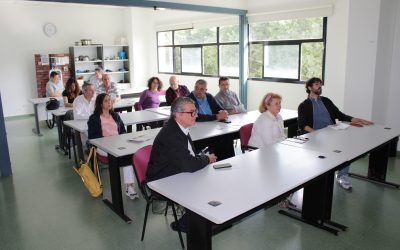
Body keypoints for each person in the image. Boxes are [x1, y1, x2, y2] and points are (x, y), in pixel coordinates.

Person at [147, 97, 217, 232]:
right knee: (203, 185)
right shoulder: (171, 134)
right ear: (178, 114)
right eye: (192, 112)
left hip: (176, 170)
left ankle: (202, 219)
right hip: (162, 179)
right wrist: (207, 159)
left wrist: (202, 159)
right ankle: (187, 223)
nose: (196, 115)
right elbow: (189, 165)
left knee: (209, 180)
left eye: (195, 111)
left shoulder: (180, 127)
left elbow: (188, 158)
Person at [298, 77, 373, 190]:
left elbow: (340, 115)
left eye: (320, 84)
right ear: (309, 87)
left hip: (332, 131)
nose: (319, 86)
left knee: (347, 149)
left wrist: (358, 119)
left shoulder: (326, 101)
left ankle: (341, 176)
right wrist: (317, 133)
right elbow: (303, 125)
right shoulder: (304, 105)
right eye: (316, 84)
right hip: (316, 135)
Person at [88, 93, 138, 200]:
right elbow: (92, 138)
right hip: (103, 147)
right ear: (100, 104)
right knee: (123, 157)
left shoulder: (115, 115)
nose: (109, 102)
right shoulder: (94, 118)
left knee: (127, 157)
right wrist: (107, 141)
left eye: (109, 100)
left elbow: (123, 132)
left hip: (117, 144)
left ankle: (129, 187)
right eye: (106, 101)